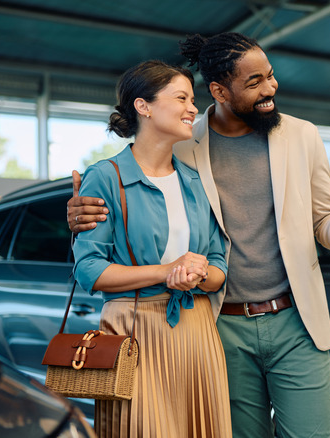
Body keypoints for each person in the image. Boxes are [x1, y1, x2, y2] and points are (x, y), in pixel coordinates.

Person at [67, 33, 330, 437]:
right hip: (218, 325)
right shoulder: (183, 145)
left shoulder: (302, 135)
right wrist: (78, 211)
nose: (270, 89)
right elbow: (135, 182)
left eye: (270, 77)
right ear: (219, 90)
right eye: (254, 82)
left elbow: (323, 220)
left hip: (296, 319)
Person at [72, 60, 231, 437]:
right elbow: (89, 271)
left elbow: (220, 264)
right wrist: (166, 271)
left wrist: (200, 273)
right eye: (181, 98)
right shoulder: (105, 177)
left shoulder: (193, 181)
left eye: (193, 99)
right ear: (143, 106)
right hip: (133, 332)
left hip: (197, 329)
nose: (194, 108)